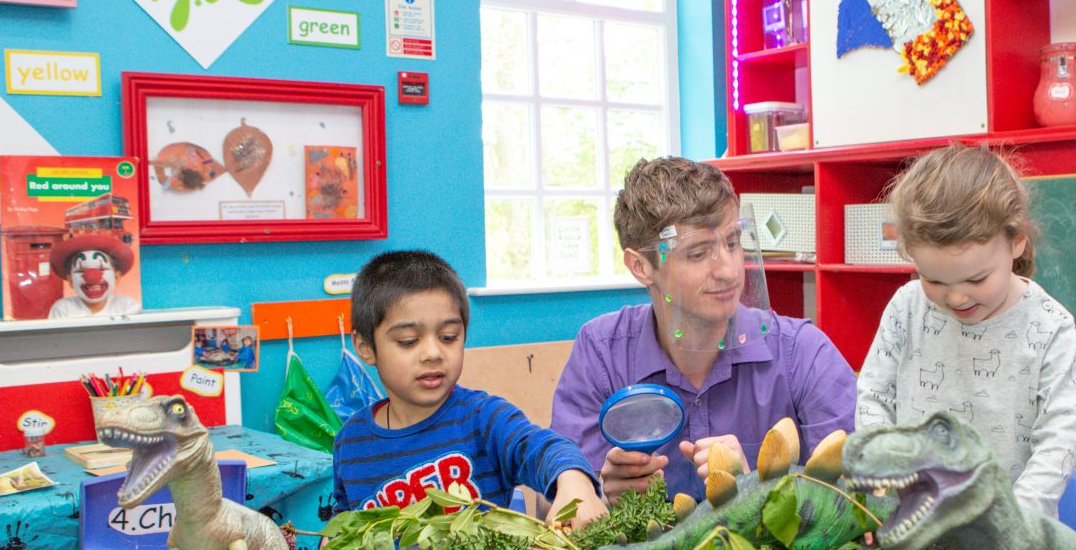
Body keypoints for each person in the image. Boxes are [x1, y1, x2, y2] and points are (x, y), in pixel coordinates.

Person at [552, 157, 857, 503]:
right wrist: (601, 496)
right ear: (640, 266)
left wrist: (763, 490)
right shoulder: (601, 352)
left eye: (732, 243)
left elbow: (853, 501)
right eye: (698, 254)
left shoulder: (803, 353)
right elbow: (556, 506)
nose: (728, 271)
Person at [856, 144, 1076, 518]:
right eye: (932, 279)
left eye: (976, 278)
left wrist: (1014, 521)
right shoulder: (907, 307)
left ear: (1017, 241)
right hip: (911, 521)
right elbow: (874, 398)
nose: (956, 297)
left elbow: (1058, 441)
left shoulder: (1049, 327)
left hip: (1006, 537)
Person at [333, 250, 607, 529]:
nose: (433, 353)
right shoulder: (350, 442)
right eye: (408, 341)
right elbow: (341, 522)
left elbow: (545, 448)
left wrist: (575, 482)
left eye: (448, 337)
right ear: (366, 347)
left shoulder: (483, 418)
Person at [47, 234, 141, 318]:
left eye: (102, 269)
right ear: (71, 280)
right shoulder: (63, 309)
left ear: (116, 277)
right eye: (80, 270)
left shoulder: (127, 306)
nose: (91, 277)